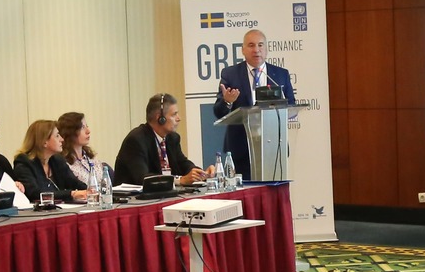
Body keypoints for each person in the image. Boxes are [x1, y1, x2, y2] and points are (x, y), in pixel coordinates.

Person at [211, 29, 296, 180]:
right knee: (246, 191)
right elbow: (219, 112)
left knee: (274, 190)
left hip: (275, 147)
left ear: (267, 49)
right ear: (243, 50)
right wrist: (227, 101)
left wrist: (284, 106)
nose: (256, 50)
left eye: (260, 45)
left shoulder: (280, 74)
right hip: (241, 148)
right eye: (251, 45)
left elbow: (292, 106)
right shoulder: (230, 74)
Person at [114, 93, 205, 186]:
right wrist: (179, 180)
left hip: (162, 193)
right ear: (160, 118)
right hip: (135, 194)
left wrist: (200, 173)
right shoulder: (136, 140)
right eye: (174, 114)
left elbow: (183, 163)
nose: (179, 118)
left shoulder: (172, 138)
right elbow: (143, 178)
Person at [14, 119, 92, 205]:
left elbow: (74, 183)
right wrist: (72, 194)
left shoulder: (57, 160)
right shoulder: (24, 162)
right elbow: (35, 193)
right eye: (57, 136)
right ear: (44, 142)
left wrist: (90, 191)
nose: (62, 139)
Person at [51, 111, 101, 195]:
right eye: (82, 127)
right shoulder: (62, 163)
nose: (88, 131)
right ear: (70, 132)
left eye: (87, 126)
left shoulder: (91, 157)